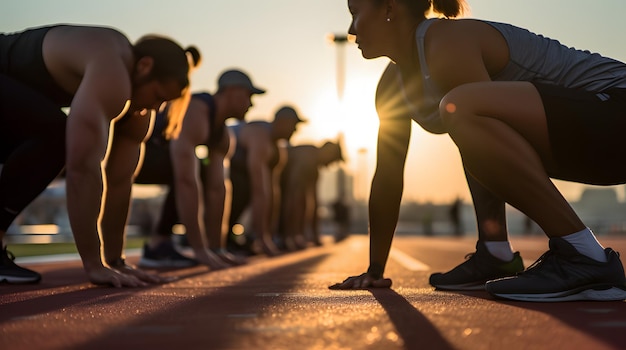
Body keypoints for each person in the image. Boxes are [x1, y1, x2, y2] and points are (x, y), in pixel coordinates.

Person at [330, 0, 626, 302]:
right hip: (596, 143)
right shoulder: (391, 87)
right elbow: (388, 178)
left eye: (355, 13)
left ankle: (585, 257)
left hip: (616, 108)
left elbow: (483, 141)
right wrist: (375, 269)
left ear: (389, 8)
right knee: (467, 124)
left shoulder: (445, 42)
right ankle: (495, 252)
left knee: (463, 110)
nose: (352, 29)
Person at [0, 24, 199, 287]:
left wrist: (115, 262)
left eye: (164, 104)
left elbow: (119, 181)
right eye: (158, 96)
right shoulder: (112, 69)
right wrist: (94, 265)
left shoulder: (138, 108)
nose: (155, 108)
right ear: (144, 66)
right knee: (58, 137)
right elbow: (83, 167)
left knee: (53, 134)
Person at [134, 69, 265, 268]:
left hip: (161, 161)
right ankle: (158, 244)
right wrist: (199, 250)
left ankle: (212, 245)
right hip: (133, 155)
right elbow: (186, 180)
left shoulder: (223, 136)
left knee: (210, 176)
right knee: (189, 170)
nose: (252, 104)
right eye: (248, 96)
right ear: (232, 91)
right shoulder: (196, 109)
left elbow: (217, 189)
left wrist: (216, 248)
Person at [227, 106, 306, 256]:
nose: (296, 130)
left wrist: (270, 235)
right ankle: (221, 237)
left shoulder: (278, 150)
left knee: (270, 192)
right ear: (282, 122)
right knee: (244, 187)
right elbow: (259, 191)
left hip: (238, 171)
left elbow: (272, 193)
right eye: (294, 125)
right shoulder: (260, 135)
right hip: (216, 166)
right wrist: (263, 239)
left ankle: (247, 237)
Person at [279, 141, 344, 250]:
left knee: (302, 201)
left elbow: (313, 203)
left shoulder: (314, 167)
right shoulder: (307, 158)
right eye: (333, 159)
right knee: (295, 200)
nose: (329, 165)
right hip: (279, 183)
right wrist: (291, 237)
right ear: (328, 152)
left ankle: (294, 236)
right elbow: (292, 198)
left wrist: (314, 235)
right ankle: (285, 236)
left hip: (287, 185)